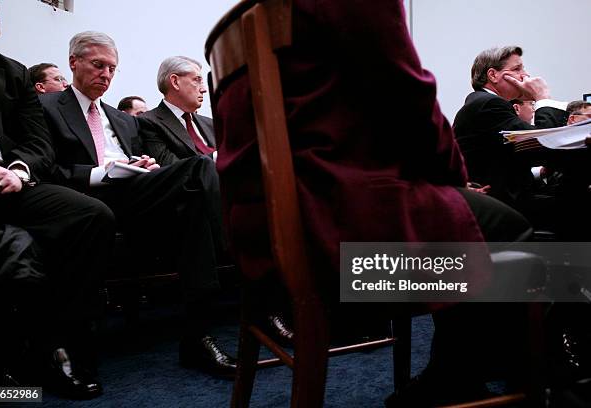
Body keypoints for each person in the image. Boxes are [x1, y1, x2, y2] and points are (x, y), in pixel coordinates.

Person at [211, 0, 533, 405]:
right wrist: (455, 181)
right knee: (512, 228)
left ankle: (456, 371)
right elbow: (410, 100)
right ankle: (478, 378)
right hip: (338, 240)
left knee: (462, 217)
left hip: (266, 238)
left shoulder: (248, 22)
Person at [39, 31, 236, 378]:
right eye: (98, 65)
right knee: (198, 180)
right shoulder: (46, 107)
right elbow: (45, 166)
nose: (106, 75)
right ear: (74, 63)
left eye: (112, 69)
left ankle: (197, 334)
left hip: (133, 195)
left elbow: (135, 161)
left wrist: (141, 164)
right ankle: (229, 261)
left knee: (194, 179)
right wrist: (101, 172)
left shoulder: (124, 119)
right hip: (83, 195)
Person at [0, 1, 115, 399]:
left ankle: (58, 345)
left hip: (7, 183)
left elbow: (37, 143)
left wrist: (18, 171)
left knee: (91, 215)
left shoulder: (10, 71)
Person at [453, 46, 567, 216]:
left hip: (501, 199)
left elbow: (513, 158)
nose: (525, 76)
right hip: (501, 205)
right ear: (493, 75)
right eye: (516, 69)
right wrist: (542, 97)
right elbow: (542, 144)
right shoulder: (489, 104)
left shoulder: (484, 103)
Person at [141, 56, 216, 164]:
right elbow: (172, 169)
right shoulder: (148, 122)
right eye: (197, 80)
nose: (204, 89)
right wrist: (215, 158)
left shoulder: (210, 123)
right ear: (175, 82)